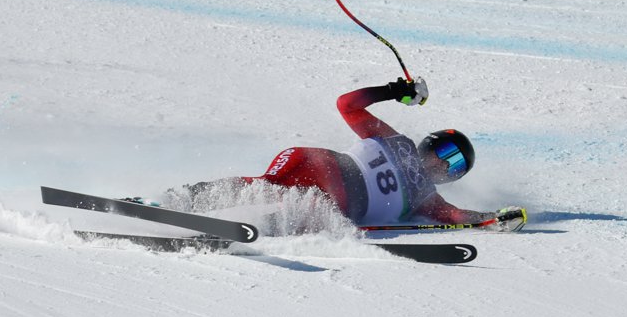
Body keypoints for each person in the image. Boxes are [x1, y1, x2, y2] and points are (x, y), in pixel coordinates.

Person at [173, 77, 526, 231]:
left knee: (300, 212)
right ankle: (188, 198)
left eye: (455, 166)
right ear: (430, 142)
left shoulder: (427, 198)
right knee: (272, 185)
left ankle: (246, 226)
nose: (444, 164)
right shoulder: (398, 141)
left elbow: (455, 214)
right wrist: (394, 91)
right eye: (447, 152)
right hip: (325, 167)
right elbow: (347, 105)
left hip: (340, 208)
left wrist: (493, 217)